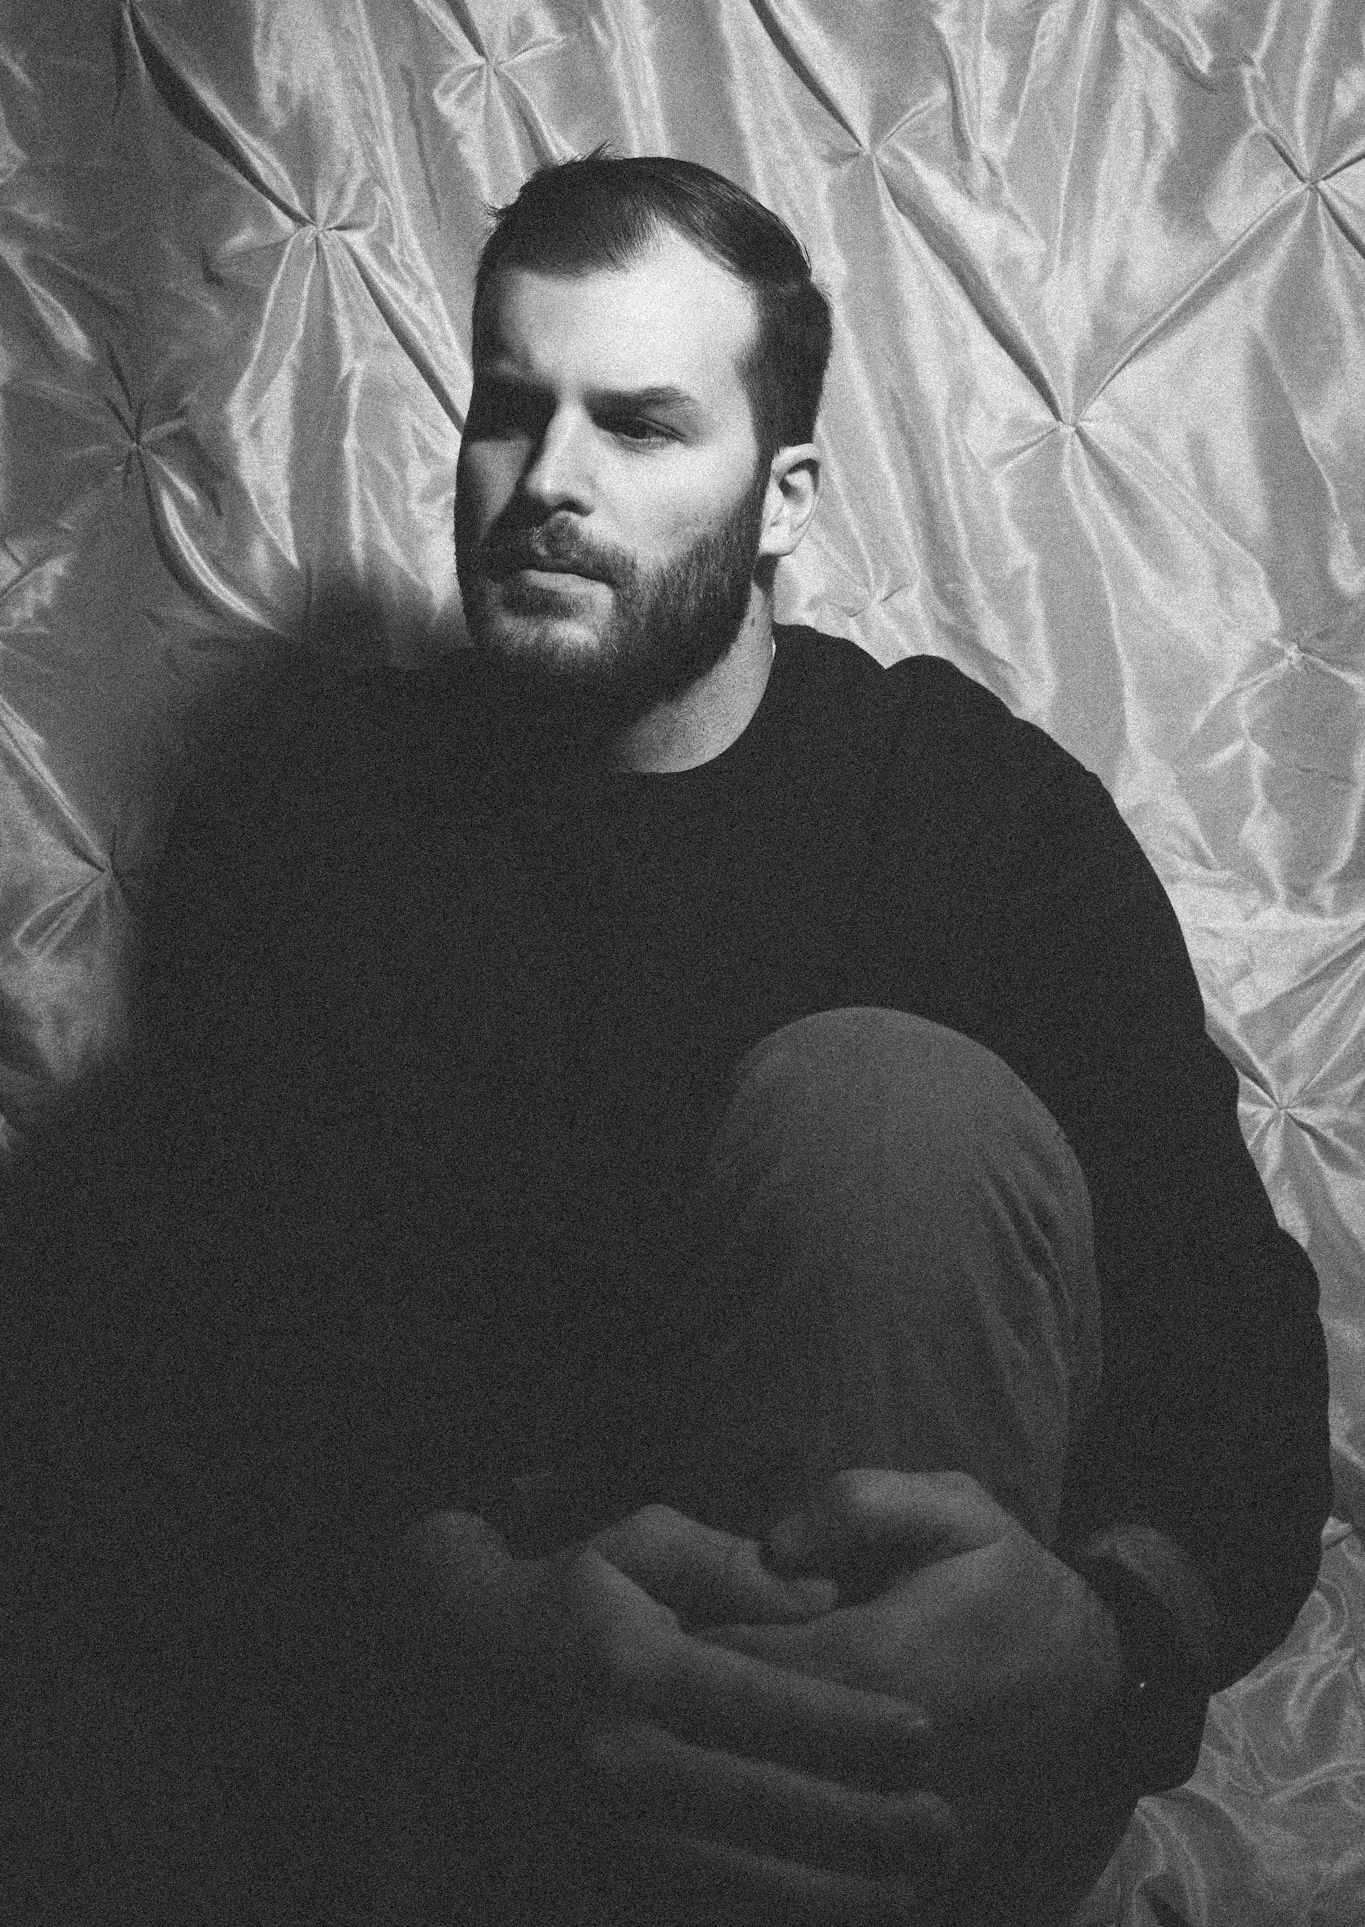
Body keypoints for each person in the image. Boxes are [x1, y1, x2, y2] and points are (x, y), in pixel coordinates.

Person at [9, 153, 1331, 1927]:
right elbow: (185, 1361)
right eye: (509, 410)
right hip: (467, 1753)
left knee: (881, 1108)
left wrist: (1110, 1635)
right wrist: (456, 1609)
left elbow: (1232, 1367)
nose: (547, 480)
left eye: (637, 427)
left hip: (906, 1775)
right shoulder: (322, 818)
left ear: (781, 499)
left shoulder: (978, 820)